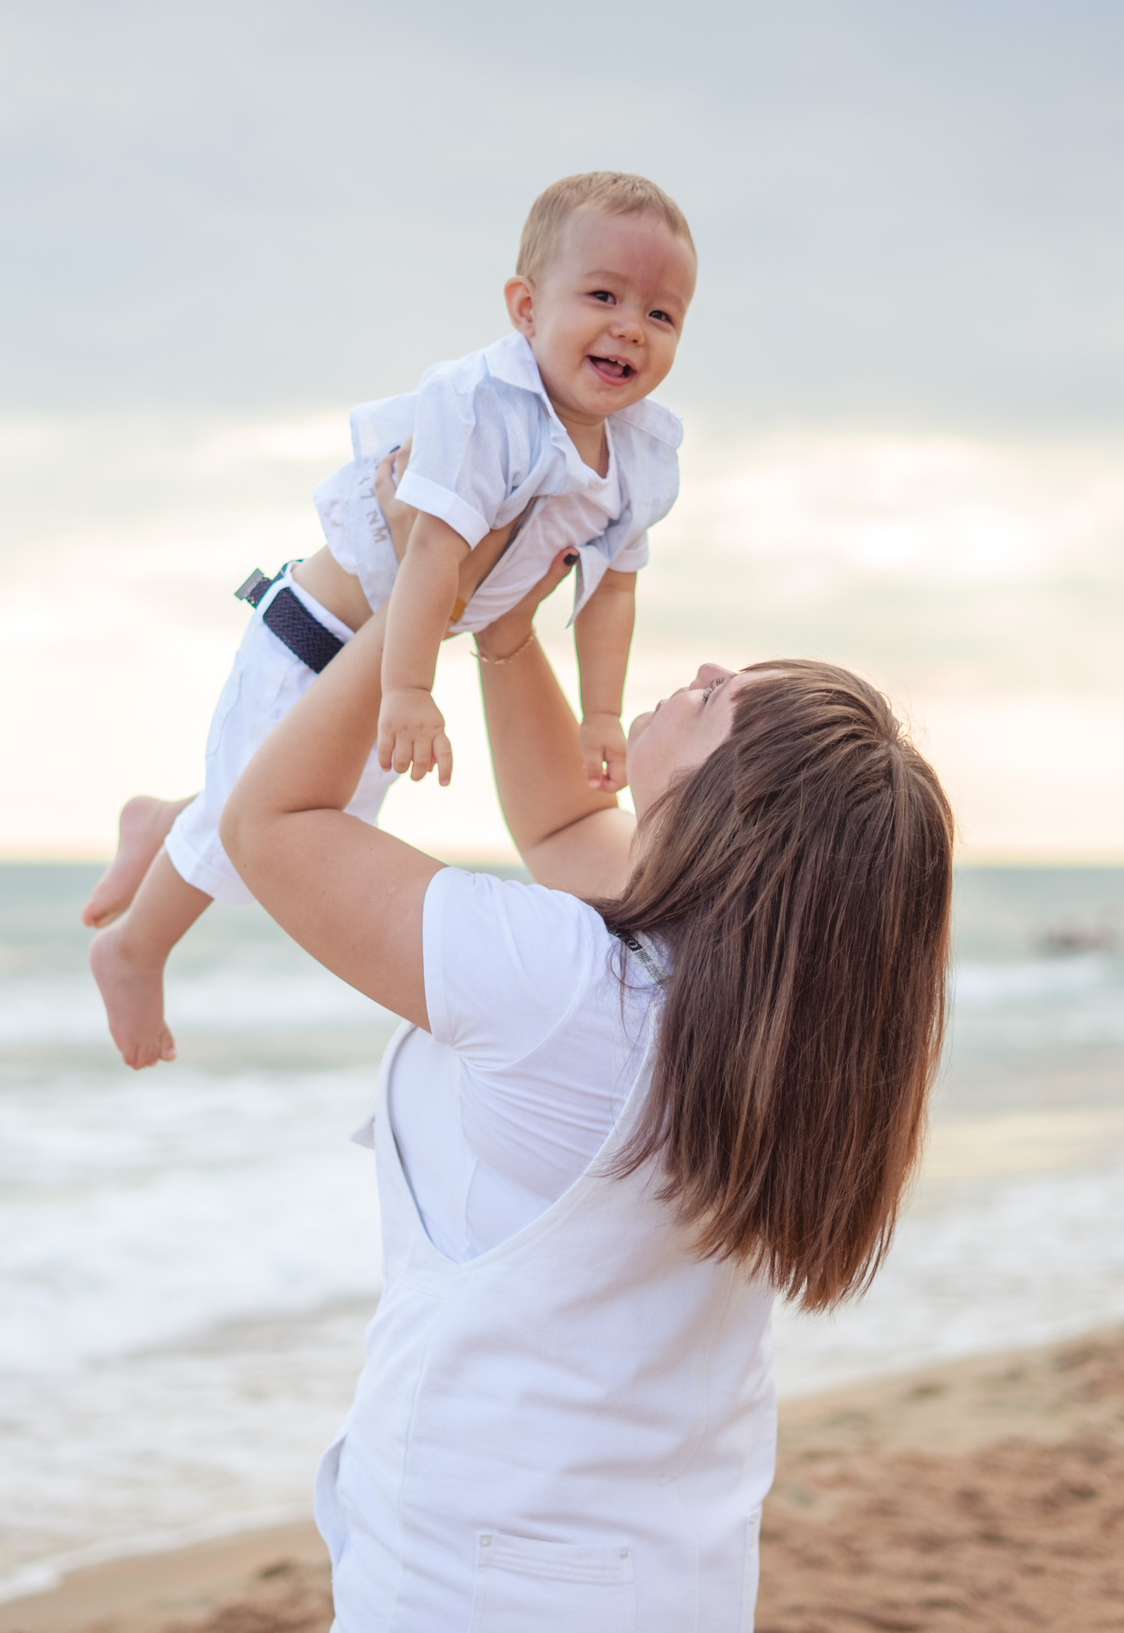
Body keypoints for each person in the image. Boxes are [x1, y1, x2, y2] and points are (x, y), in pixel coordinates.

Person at [221, 552, 955, 1630]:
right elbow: (566, 831)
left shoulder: (567, 991)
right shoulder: (770, 1017)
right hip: (670, 1571)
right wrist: (507, 635)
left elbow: (270, 827)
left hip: (480, 1586)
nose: (701, 669)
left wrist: (433, 582)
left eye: (718, 698)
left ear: (727, 802)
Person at [83, 170, 697, 1070]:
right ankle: (133, 948)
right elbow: (432, 556)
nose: (629, 329)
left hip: (390, 660)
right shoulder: (484, 409)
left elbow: (610, 589)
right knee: (252, 832)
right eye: (602, 296)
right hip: (321, 640)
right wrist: (410, 689)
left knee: (297, 810)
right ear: (526, 307)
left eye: (661, 314)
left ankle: (159, 822)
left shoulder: (640, 453)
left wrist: (601, 713)